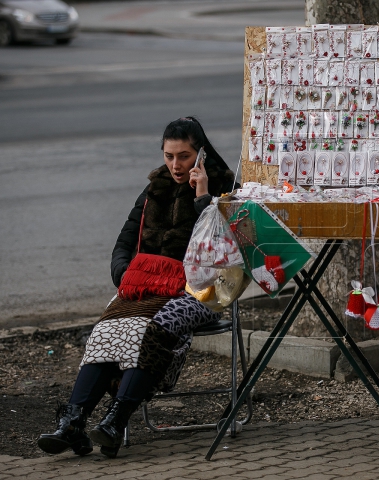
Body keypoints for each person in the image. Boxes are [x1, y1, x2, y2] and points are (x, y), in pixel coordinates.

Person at [37, 117, 236, 458]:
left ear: (201, 154)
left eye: (185, 156)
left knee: (151, 329)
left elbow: (223, 248)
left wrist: (203, 197)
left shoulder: (224, 187)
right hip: (147, 285)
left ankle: (116, 420)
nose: (175, 165)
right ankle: (73, 422)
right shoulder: (154, 187)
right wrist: (124, 274)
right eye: (169, 155)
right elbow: (125, 241)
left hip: (202, 288)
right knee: (105, 331)